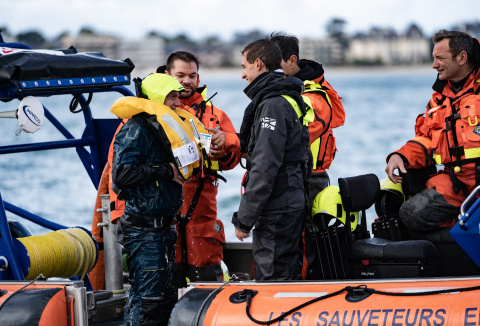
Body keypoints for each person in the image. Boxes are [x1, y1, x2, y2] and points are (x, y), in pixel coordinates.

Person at [111, 73, 188, 325]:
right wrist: (165, 170)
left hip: (165, 229)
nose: (178, 103)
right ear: (157, 98)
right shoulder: (135, 129)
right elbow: (122, 174)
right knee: (148, 301)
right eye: (173, 97)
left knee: (164, 298)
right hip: (144, 232)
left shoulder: (164, 129)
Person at [157, 51, 240, 284]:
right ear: (167, 74)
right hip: (162, 209)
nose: (187, 81)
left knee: (206, 280)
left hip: (202, 211)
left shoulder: (215, 115)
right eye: (180, 75)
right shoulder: (148, 111)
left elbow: (232, 160)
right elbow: (120, 166)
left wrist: (222, 153)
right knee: (165, 280)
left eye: (192, 75)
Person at [231, 39, 310, 280]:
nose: (243, 75)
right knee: (287, 274)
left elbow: (265, 167)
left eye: (244, 67)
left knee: (275, 279)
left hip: (278, 209)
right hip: (290, 201)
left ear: (258, 63)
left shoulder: (272, 104)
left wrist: (243, 220)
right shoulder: (285, 97)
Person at [385, 30, 480, 232]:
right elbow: (426, 139)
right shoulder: (438, 101)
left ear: (462, 57)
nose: (434, 65)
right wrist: (399, 155)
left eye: (440, 58)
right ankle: (468, 225)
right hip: (456, 185)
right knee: (411, 214)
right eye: (433, 58)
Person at [269, 32, 346, 280]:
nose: (269, 70)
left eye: (274, 63)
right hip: (287, 177)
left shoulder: (313, 97)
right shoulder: (284, 92)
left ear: (292, 61)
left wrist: (236, 142)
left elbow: (286, 137)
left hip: (309, 178)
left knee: (303, 241)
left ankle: (301, 290)